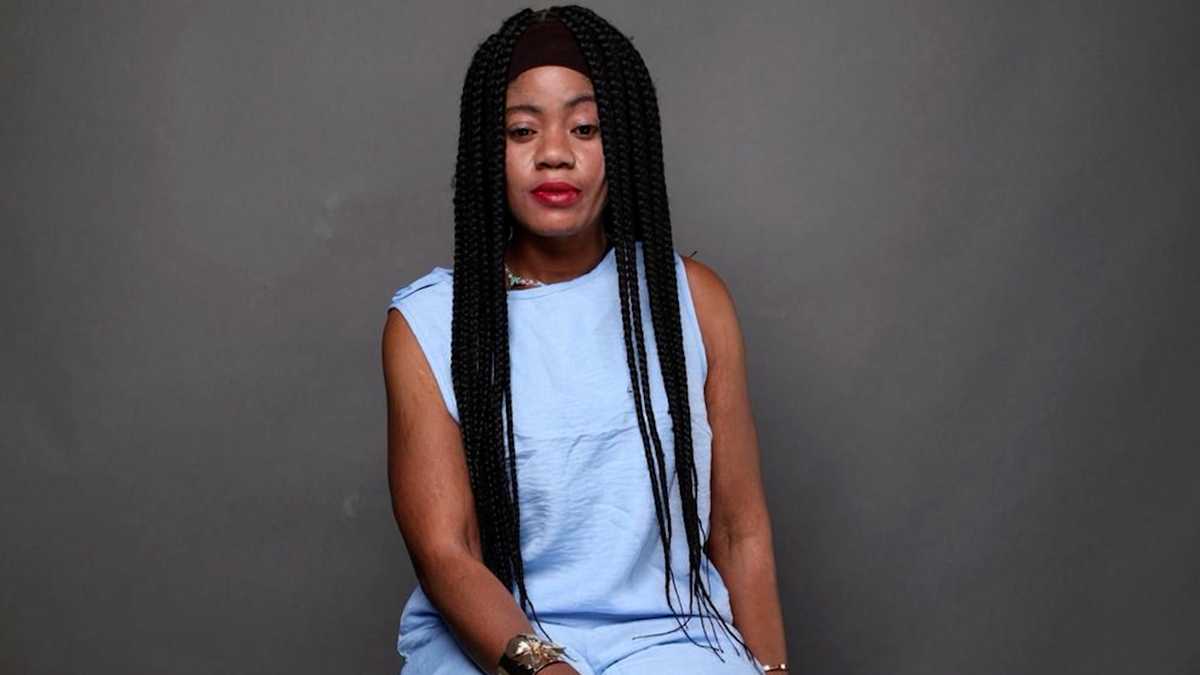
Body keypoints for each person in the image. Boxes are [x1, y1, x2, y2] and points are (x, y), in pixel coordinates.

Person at [381, 6, 788, 674]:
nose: (555, 153)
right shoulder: (429, 323)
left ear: (622, 142)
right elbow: (446, 552)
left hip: (668, 638)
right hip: (498, 645)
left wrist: (771, 672)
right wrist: (545, 667)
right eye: (522, 129)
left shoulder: (692, 301)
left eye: (585, 127)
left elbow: (740, 532)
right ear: (488, 151)